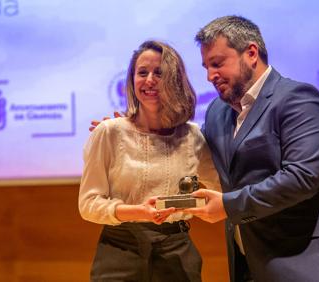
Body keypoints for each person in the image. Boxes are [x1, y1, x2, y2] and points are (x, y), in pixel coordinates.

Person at [183, 15, 319, 282]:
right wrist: (129, 130)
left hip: (312, 265)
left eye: (217, 63)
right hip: (251, 265)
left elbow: (301, 178)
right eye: (206, 66)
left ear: (251, 53)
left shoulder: (298, 99)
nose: (210, 75)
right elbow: (191, 155)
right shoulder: (216, 112)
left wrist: (228, 205)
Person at [79, 40, 219, 282]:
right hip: (120, 249)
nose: (150, 80)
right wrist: (139, 212)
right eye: (142, 72)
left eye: (159, 73)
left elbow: (221, 190)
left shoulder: (193, 136)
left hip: (178, 252)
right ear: (132, 81)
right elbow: (89, 204)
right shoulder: (109, 132)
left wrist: (199, 206)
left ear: (175, 79)